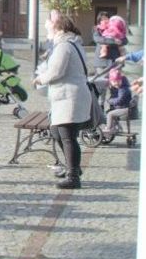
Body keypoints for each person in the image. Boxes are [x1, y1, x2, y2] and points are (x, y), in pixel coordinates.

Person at [33, 15, 91, 189]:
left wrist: (39, 79)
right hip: (67, 96)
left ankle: (73, 176)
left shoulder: (64, 46)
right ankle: (73, 167)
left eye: (49, 23)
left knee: (68, 137)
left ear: (58, 28)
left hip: (69, 97)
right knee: (57, 132)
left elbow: (56, 72)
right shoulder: (71, 44)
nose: (47, 26)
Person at [101, 66, 133, 140]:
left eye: (118, 82)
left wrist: (110, 101)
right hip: (125, 107)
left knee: (110, 114)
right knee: (112, 114)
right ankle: (117, 128)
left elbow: (119, 100)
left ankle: (108, 129)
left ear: (121, 80)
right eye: (114, 83)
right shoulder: (122, 86)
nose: (116, 85)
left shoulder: (123, 89)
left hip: (125, 108)